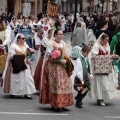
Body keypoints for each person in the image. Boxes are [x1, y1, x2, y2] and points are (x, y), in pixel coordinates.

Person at [39, 29, 74, 111]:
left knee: (64, 85)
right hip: (53, 68)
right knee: (56, 85)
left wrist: (66, 59)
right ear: (55, 35)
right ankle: (55, 104)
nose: (61, 36)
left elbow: (66, 54)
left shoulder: (63, 44)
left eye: (62, 34)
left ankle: (64, 103)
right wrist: (58, 60)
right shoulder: (51, 44)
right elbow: (49, 56)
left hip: (63, 67)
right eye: (59, 34)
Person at [2, 34, 36, 99]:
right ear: (18, 39)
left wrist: (29, 58)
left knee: (27, 78)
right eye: (22, 38)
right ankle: (14, 92)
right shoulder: (13, 46)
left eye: (24, 39)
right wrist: (22, 57)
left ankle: (27, 93)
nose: (24, 40)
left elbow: (29, 54)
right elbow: (12, 56)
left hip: (25, 64)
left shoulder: (26, 45)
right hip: (16, 64)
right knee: (15, 78)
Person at [89, 33, 115, 106]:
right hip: (99, 68)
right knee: (100, 83)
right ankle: (100, 99)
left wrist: (111, 58)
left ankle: (102, 98)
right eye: (106, 40)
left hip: (106, 68)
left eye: (108, 40)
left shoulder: (107, 46)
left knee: (105, 83)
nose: (107, 42)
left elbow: (108, 55)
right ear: (102, 39)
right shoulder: (96, 46)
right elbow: (93, 57)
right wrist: (105, 58)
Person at [110, 24, 120, 90]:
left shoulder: (115, 37)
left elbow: (111, 47)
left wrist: (111, 55)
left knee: (119, 70)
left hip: (118, 56)